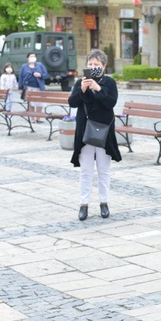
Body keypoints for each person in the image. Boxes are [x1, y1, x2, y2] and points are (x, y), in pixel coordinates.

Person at [68, 49, 120, 221]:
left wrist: (98, 88)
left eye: (96, 64)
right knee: (86, 171)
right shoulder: (80, 82)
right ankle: (84, 204)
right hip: (85, 132)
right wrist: (82, 90)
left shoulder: (109, 83)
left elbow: (110, 102)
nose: (93, 67)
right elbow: (72, 102)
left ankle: (104, 202)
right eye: (90, 64)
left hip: (104, 132)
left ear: (103, 66)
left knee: (104, 170)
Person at [18, 52, 49, 123]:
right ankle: (32, 118)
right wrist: (20, 88)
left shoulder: (40, 65)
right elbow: (21, 77)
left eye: (34, 56)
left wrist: (40, 75)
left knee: (39, 103)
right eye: (31, 56)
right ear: (27, 58)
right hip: (28, 87)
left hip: (39, 87)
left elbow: (46, 75)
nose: (32, 58)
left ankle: (38, 117)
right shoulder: (24, 67)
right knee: (31, 103)